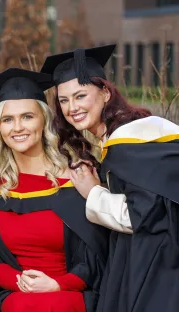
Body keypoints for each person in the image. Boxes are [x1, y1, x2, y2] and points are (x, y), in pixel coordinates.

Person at [41, 44, 179, 312]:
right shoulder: (130, 137)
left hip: (158, 271)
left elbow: (144, 215)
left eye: (81, 96)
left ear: (105, 93)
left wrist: (94, 192)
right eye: (64, 100)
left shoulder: (130, 143)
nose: (72, 108)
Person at [0, 68, 109, 312]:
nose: (17, 127)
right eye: (7, 119)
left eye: (27, 116)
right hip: (17, 293)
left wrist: (57, 284)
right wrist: (24, 284)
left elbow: (96, 254)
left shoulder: (77, 179)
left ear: (44, 120)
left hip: (70, 292)